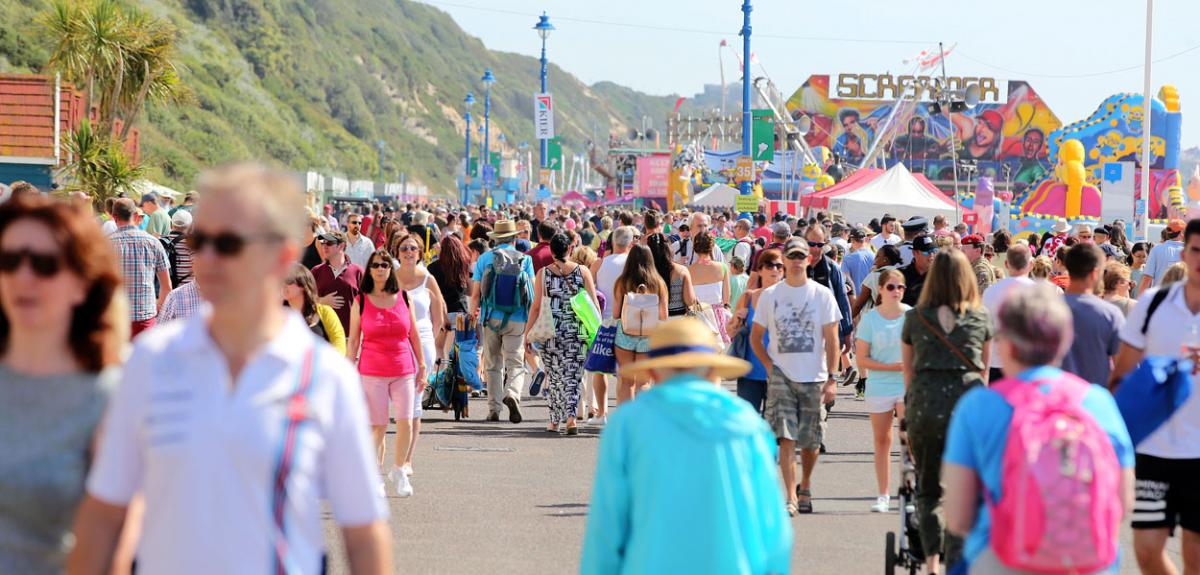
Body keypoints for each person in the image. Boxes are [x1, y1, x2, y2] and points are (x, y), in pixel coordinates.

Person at [71, 163, 392, 574]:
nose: (206, 257)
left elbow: (364, 531)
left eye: (229, 242)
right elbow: (104, 513)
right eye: (199, 240)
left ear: (283, 256)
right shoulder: (152, 362)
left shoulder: (326, 377)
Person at [943, 283, 1135, 574]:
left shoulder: (979, 406)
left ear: (1005, 343)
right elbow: (1122, 501)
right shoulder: (1098, 403)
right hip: (1086, 561)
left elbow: (958, 518)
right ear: (1065, 340)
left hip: (1002, 557)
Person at [580, 318, 791, 574]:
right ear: (713, 371)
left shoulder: (628, 424)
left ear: (654, 373)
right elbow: (772, 529)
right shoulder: (746, 424)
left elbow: (607, 525)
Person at [0, 195, 124, 574]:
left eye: (45, 265)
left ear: (82, 285)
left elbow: (112, 547)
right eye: (9, 261)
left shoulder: (108, 398)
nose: (24, 276)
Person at [1109, 218, 1200, 575]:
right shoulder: (1153, 303)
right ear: (1185, 251)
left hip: (1198, 451)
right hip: (1153, 448)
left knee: (1194, 555)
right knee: (1147, 551)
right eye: (1196, 250)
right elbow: (1122, 373)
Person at [901, 249, 993, 573]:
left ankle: (931, 562)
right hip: (967, 404)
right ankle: (957, 559)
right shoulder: (981, 318)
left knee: (928, 488)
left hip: (926, 403)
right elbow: (984, 370)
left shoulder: (915, 317)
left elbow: (909, 373)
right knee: (964, 486)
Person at [751, 238, 842, 516]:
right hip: (782, 374)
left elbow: (832, 339)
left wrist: (832, 377)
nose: (797, 260)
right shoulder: (770, 295)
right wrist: (768, 366)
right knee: (785, 438)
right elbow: (756, 337)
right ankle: (790, 495)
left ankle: (806, 484)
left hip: (814, 376)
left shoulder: (822, 294)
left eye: (801, 255)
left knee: (811, 441)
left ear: (809, 260)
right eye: (792, 256)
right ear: (786, 260)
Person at [347, 249, 426, 498]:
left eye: (384, 264)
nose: (380, 268)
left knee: (405, 421)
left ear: (390, 269)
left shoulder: (403, 297)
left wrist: (422, 366)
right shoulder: (360, 301)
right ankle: (375, 476)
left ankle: (400, 470)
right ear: (369, 270)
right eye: (375, 265)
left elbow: (413, 333)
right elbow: (353, 341)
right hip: (372, 370)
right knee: (378, 426)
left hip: (403, 367)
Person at [525, 233, 598, 434]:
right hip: (577, 332)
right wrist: (597, 328)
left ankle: (554, 420)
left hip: (552, 332)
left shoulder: (543, 273)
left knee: (555, 377)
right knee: (574, 377)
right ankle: (571, 419)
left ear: (551, 251)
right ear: (570, 249)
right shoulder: (583, 271)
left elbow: (537, 306)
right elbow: (592, 304)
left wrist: (528, 332)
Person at [856, 267, 910, 514]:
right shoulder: (871, 319)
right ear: (880, 289)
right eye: (891, 287)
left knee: (909, 441)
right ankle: (883, 494)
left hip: (906, 386)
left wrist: (907, 368)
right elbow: (862, 359)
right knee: (882, 441)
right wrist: (891, 366)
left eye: (900, 287)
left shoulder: (911, 316)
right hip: (879, 386)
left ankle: (910, 492)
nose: (896, 291)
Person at [470, 220, 534, 424]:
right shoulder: (525, 260)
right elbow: (531, 292)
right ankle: (513, 394)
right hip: (518, 317)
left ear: (494, 238)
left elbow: (475, 294)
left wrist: (473, 316)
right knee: (515, 362)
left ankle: (494, 409)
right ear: (515, 238)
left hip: (491, 317)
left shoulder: (485, 258)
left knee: (493, 364)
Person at [395, 234, 445, 476]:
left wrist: (431, 340)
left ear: (419, 253)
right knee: (396, 400)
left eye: (413, 248)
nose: (408, 251)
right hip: (395, 341)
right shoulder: (389, 277)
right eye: (404, 248)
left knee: (415, 402)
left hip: (422, 340)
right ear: (397, 252)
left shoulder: (428, 278)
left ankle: (407, 460)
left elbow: (439, 312)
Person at [1059, 243, 1125, 386]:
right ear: (1095, 273)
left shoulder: (1045, 309)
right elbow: (1122, 367)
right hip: (1094, 400)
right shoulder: (1110, 314)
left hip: (1052, 400)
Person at [612, 244, 668, 404]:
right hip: (649, 336)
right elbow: (663, 315)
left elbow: (616, 314)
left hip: (625, 335)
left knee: (627, 381)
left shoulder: (622, 282)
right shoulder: (658, 283)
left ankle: (626, 422)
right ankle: (644, 421)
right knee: (644, 382)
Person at [729, 248, 783, 415]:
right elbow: (730, 332)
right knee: (747, 421)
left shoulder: (788, 299)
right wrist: (738, 319)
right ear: (759, 270)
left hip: (780, 371)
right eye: (769, 265)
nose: (774, 269)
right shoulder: (748, 296)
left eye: (779, 266)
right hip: (750, 372)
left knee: (775, 426)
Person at [108, 197, 171, 338]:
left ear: (114, 217)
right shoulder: (153, 243)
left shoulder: (106, 244)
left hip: (117, 319)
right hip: (146, 317)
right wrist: (158, 307)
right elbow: (166, 286)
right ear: (136, 215)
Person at [980, 244, 1035, 381]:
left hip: (995, 360)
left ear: (1006, 263)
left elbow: (984, 326)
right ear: (1031, 264)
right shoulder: (1038, 292)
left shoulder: (990, 292)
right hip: (1026, 362)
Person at [284, 263, 346, 354]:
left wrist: (328, 365)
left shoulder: (325, 312)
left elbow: (339, 343)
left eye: (288, 280)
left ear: (303, 285)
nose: (283, 285)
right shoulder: (277, 315)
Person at [312, 229, 364, 334]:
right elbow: (305, 300)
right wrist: (321, 301)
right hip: (323, 337)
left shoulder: (358, 271)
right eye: (323, 243)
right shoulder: (316, 271)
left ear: (341, 246)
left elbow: (367, 303)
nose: (324, 246)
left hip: (351, 337)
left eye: (329, 243)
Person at [687, 232, 730, 341]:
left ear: (695, 248)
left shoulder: (688, 271)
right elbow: (726, 298)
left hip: (698, 316)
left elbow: (688, 300)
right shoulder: (723, 268)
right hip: (718, 316)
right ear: (712, 247)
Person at [647, 232, 695, 318]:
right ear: (669, 249)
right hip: (678, 322)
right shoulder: (682, 271)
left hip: (653, 321)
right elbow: (690, 301)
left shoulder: (646, 272)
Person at [1140, 218, 1186, 293]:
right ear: (1181, 233)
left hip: (1159, 298)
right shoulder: (1190, 251)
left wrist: (1140, 301)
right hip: (1183, 300)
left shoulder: (1156, 249)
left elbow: (1147, 278)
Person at [899, 234, 937, 306]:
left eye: (934, 251)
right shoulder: (901, 275)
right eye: (926, 252)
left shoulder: (941, 275)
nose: (932, 255)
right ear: (914, 253)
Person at [165, 210, 194, 287]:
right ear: (191, 225)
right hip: (187, 290)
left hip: (165, 291)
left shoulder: (161, 242)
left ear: (171, 224)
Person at [841, 227, 874, 294]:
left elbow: (845, 283)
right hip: (871, 300)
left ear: (852, 240)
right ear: (864, 239)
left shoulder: (847, 259)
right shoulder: (874, 256)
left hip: (856, 300)